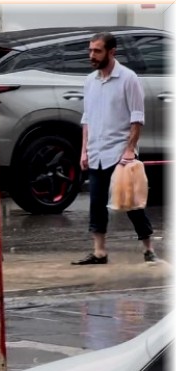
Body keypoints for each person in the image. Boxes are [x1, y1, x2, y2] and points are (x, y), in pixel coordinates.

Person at [73, 31, 156, 265]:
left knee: (130, 203)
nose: (92, 55)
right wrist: (84, 150)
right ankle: (99, 252)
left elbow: (137, 118)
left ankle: (148, 249)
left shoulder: (128, 78)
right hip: (97, 151)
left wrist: (130, 150)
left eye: (97, 51)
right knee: (96, 202)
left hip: (120, 152)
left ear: (111, 52)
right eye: (90, 50)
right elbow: (86, 118)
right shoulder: (90, 81)